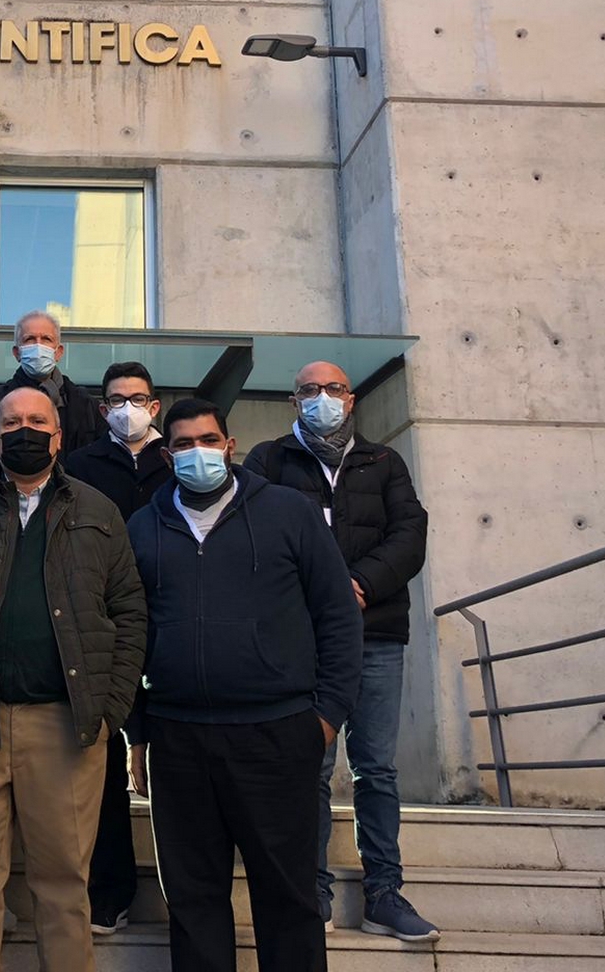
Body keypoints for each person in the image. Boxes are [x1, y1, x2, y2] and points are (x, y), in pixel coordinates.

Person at [0, 385, 147, 972]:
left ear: (58, 437)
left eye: (37, 422)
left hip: (66, 726)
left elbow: (130, 613)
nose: (24, 432)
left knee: (64, 883)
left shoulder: (98, 511)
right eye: (11, 422)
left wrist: (109, 709)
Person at [126, 397, 363, 972]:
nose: (198, 453)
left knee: (288, 898)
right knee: (193, 900)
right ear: (166, 455)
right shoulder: (142, 527)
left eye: (209, 441)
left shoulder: (288, 512)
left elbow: (337, 614)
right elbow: (128, 633)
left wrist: (327, 715)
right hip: (179, 738)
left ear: (229, 446)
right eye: (184, 444)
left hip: (276, 733)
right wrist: (139, 730)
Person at [243, 360, 436, 942]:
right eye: (309, 390)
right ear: (293, 400)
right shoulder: (268, 462)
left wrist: (359, 584)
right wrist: (322, 592)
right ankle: (313, 891)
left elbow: (410, 534)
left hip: (376, 632)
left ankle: (385, 892)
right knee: (311, 766)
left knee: (376, 768)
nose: (321, 397)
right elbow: (251, 535)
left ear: (350, 400)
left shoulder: (384, 461)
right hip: (302, 640)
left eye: (333, 389)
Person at [63, 361, 171, 936]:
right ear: (102, 409)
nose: (128, 409)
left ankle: (184, 888)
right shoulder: (81, 465)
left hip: (170, 619)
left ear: (155, 406)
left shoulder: (176, 460)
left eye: (138, 398)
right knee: (102, 767)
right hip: (100, 623)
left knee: (169, 759)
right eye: (117, 400)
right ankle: (109, 890)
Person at [0, 309, 103, 458]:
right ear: (17, 353)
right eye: (30, 339)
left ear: (59, 352)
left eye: (46, 339)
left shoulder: (86, 405)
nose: (38, 346)